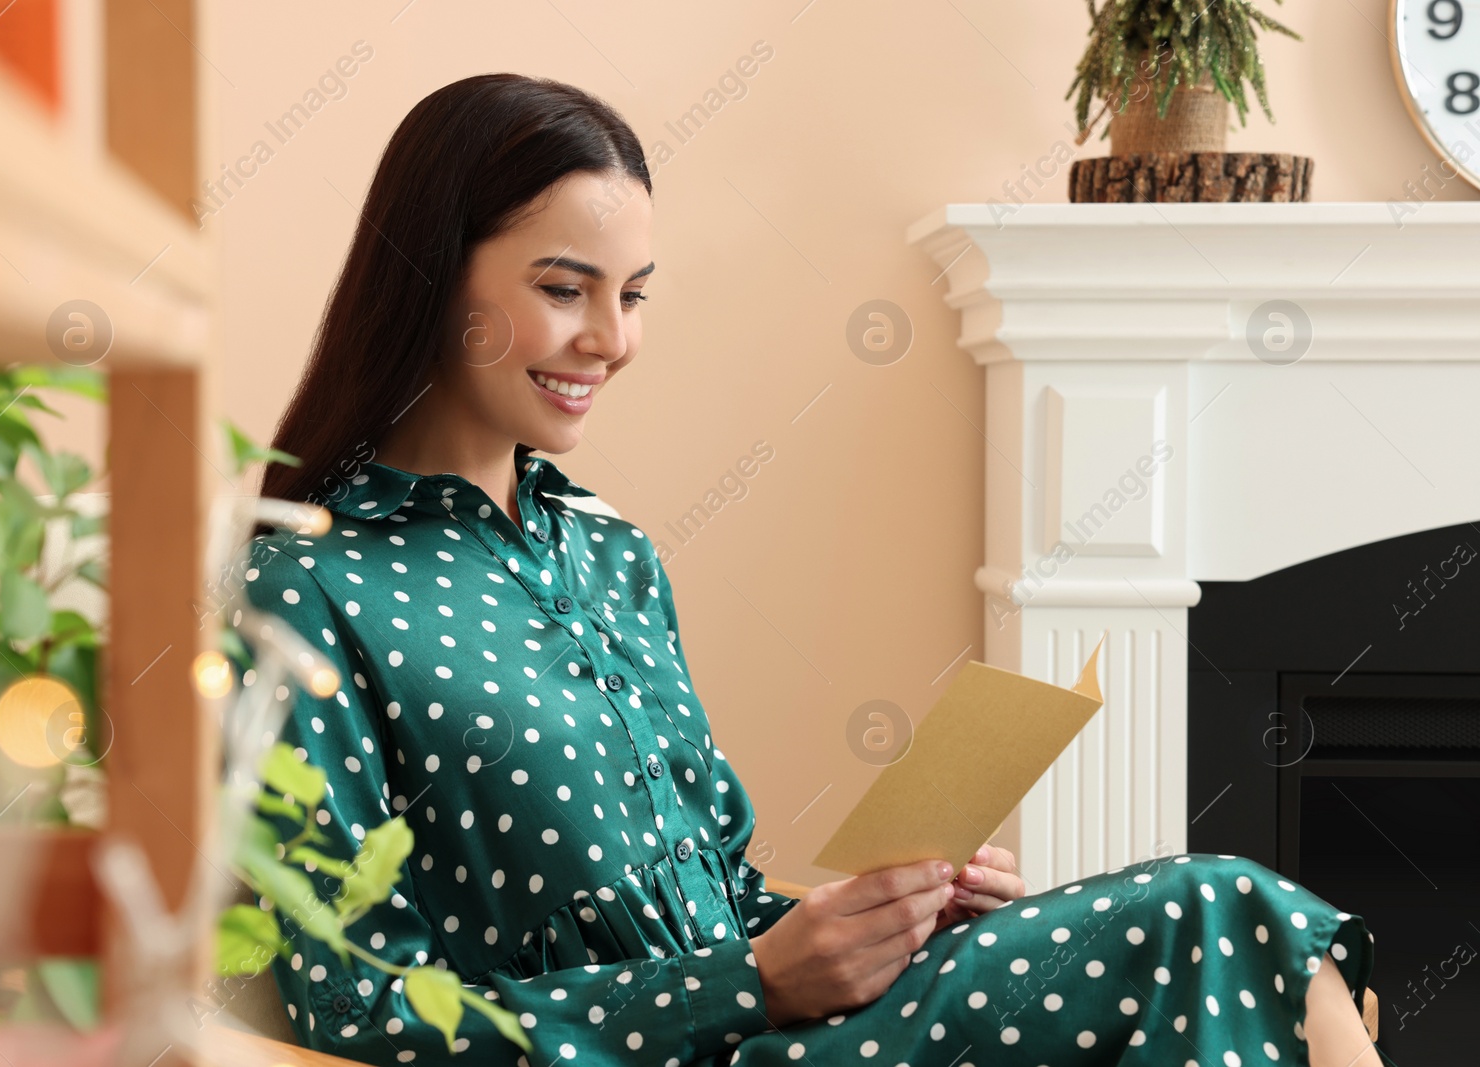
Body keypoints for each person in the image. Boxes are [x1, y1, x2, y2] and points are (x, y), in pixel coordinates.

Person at [238, 72, 1385, 1067]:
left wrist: (885, 921)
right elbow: (351, 1009)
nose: (612, 339)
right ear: (432, 272)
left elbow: (729, 912)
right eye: (562, 287)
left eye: (632, 295)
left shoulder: (610, 554)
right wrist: (747, 986)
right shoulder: (308, 582)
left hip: (772, 1033)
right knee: (1217, 910)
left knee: (1245, 936)